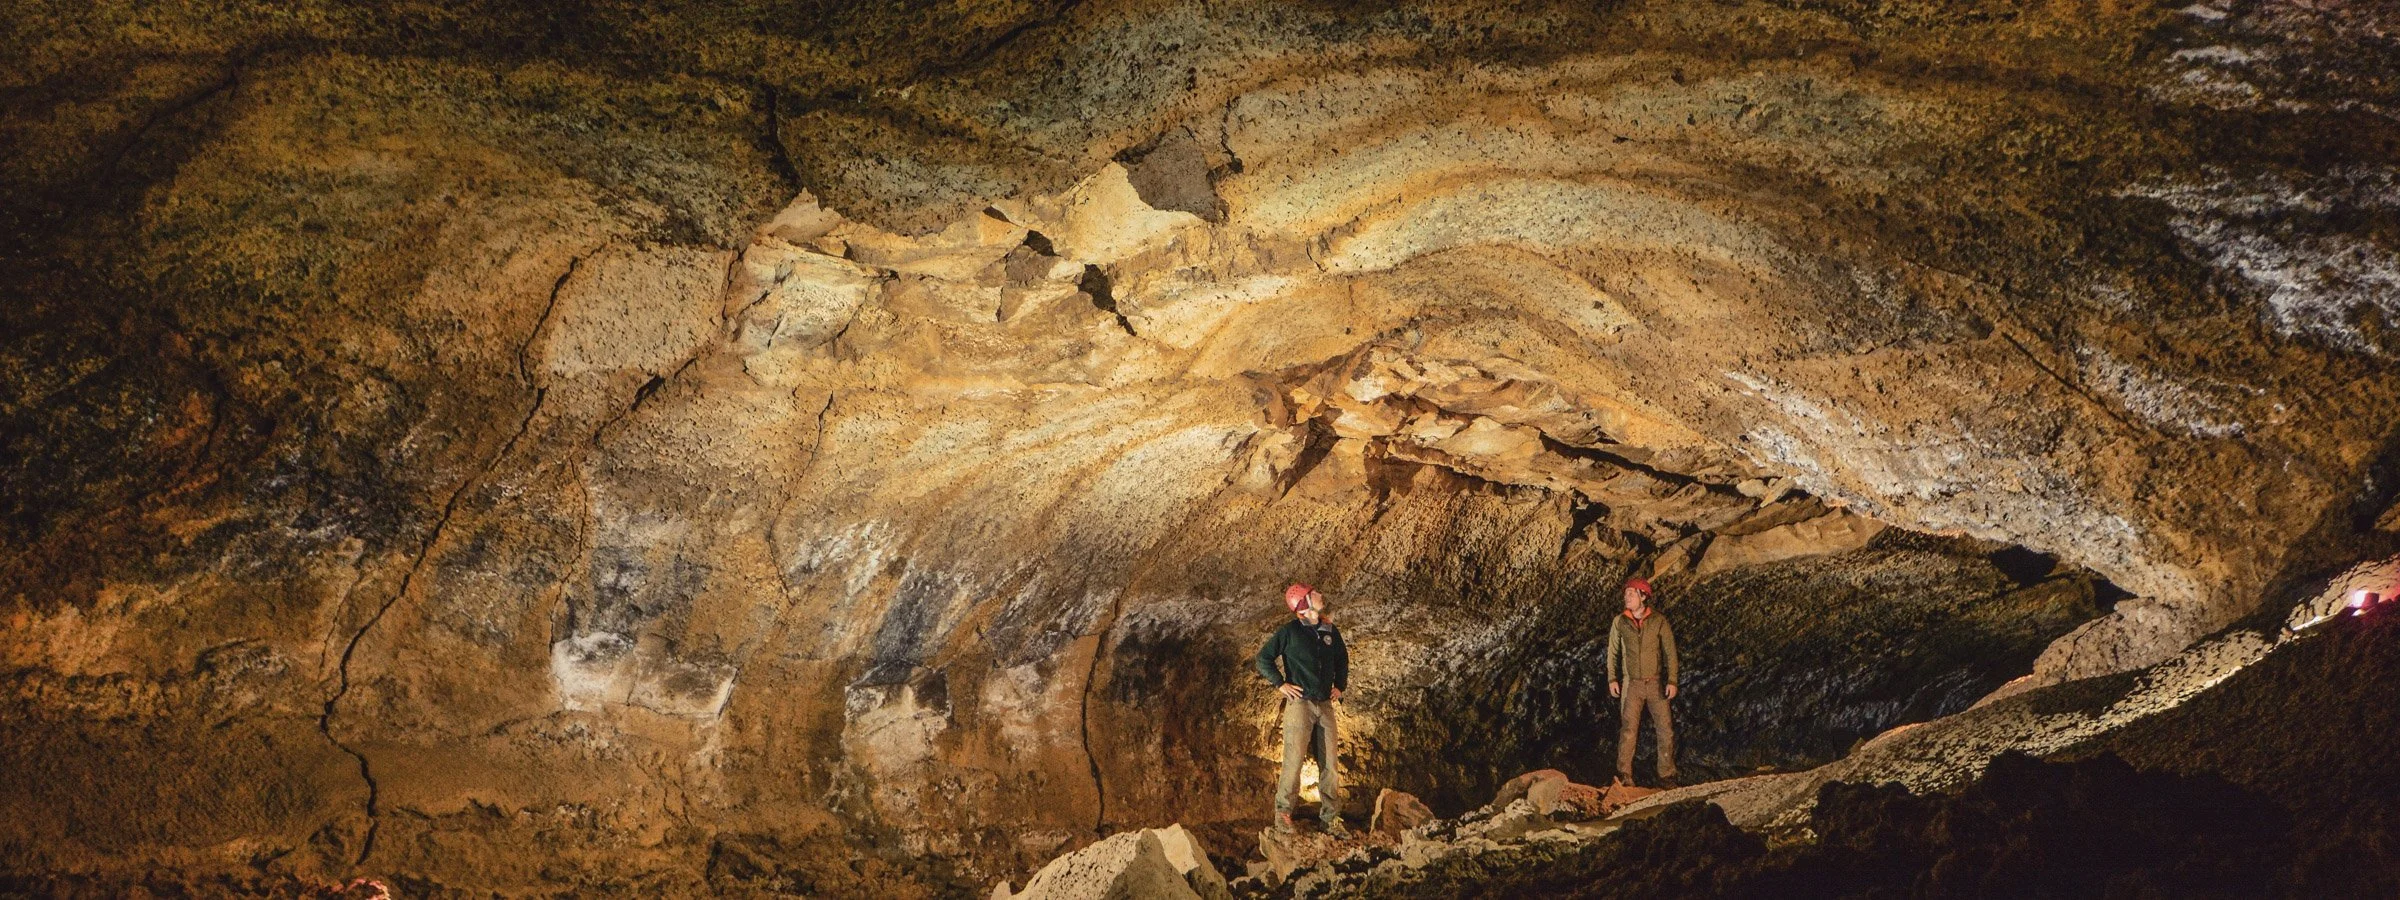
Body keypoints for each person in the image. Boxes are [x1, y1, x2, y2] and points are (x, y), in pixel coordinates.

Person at [1254, 582, 1350, 836]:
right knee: (1293, 761)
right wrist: (1280, 684)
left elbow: (1342, 659)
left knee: (1330, 765)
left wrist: (1340, 686)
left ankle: (1331, 819)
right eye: (1313, 593)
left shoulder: (1329, 630)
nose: (1320, 594)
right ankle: (1283, 814)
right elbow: (1263, 658)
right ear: (1304, 604)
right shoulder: (1290, 632)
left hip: (1325, 704)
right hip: (1300, 705)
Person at [1607, 576, 1680, 788]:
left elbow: (1670, 653)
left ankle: (1666, 775)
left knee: (1665, 729)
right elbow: (1612, 652)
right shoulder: (1620, 622)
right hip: (1632, 684)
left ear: (1643, 596)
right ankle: (1624, 776)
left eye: (1631, 593)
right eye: (1626, 594)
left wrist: (1672, 680)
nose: (1626, 597)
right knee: (1628, 729)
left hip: (1656, 683)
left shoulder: (1659, 621)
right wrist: (1612, 678)